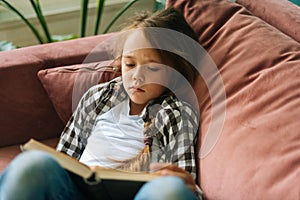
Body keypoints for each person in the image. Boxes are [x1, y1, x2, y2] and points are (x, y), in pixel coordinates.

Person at [0, 8, 203, 200]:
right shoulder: (99, 97)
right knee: (35, 163)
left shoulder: (176, 113)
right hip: (78, 194)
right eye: (130, 64)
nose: (136, 77)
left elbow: (183, 180)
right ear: (120, 61)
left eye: (152, 69)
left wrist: (183, 184)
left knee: (171, 189)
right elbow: (63, 158)